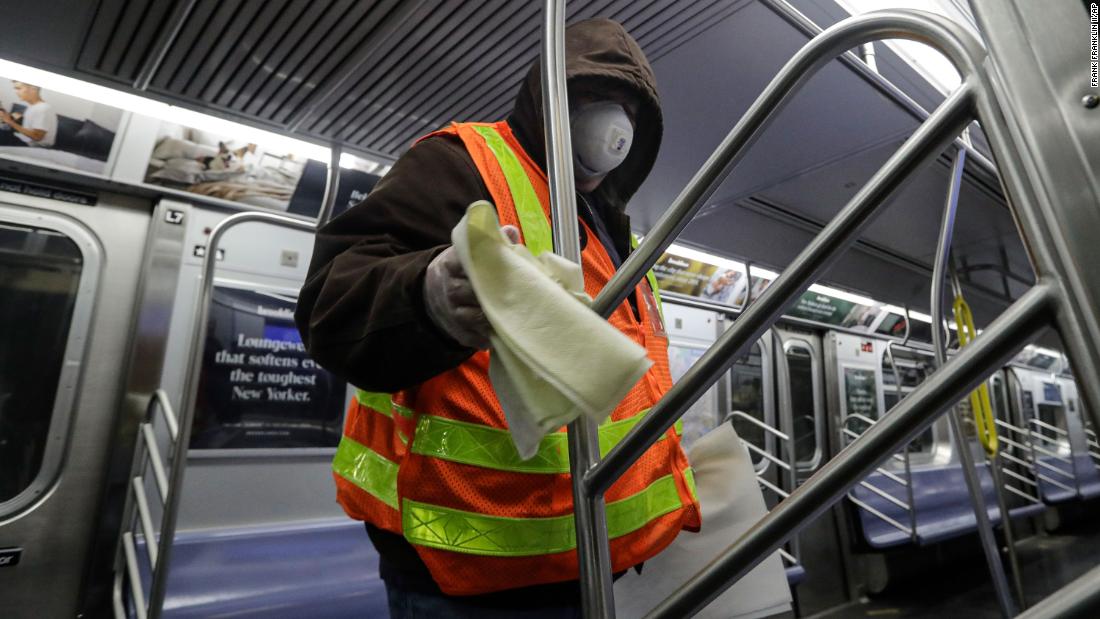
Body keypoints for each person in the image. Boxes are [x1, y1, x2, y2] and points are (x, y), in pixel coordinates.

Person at [295, 18, 700, 618]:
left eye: (629, 113)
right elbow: (331, 300)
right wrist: (427, 296)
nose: (613, 126)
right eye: (590, 99)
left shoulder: (610, 226)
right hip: (469, 574)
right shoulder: (460, 163)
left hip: (593, 560)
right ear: (547, 101)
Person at [0, 82, 58, 147]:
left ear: (33, 89)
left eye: (19, 88)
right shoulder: (34, 107)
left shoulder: (43, 108)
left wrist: (10, 122)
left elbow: (37, 137)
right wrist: (10, 118)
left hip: (33, 146)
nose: (16, 92)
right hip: (24, 140)